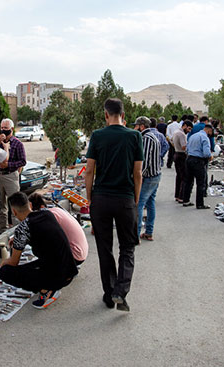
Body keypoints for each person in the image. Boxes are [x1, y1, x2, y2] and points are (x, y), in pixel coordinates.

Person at [84, 98, 143, 312]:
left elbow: (89, 170)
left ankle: (109, 295)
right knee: (127, 247)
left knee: (104, 248)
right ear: (123, 114)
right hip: (125, 198)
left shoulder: (98, 136)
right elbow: (138, 173)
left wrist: (90, 198)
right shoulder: (135, 136)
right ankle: (120, 290)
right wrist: (135, 199)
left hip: (101, 199)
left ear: (106, 114)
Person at [0, 192, 78, 309]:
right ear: (30, 205)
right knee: (40, 262)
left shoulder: (23, 228)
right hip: (70, 270)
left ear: (14, 212)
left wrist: (3, 263)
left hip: (58, 278)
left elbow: (14, 262)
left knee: (5, 272)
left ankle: (46, 289)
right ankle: (48, 283)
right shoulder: (47, 214)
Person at [28, 193, 88, 265]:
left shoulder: (49, 216)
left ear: (41, 207)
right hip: (81, 252)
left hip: (75, 257)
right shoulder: (56, 210)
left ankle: (61, 270)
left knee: (38, 245)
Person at [134, 117, 162, 241]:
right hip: (155, 175)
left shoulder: (146, 139)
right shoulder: (154, 136)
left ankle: (136, 235)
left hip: (149, 177)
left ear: (142, 126)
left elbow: (145, 161)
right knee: (150, 203)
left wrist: (138, 176)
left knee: (139, 204)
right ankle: (148, 232)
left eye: (136, 126)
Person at [0, 118, 26, 231]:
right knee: (1, 206)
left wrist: (8, 165)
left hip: (10, 176)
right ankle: (3, 229)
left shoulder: (17, 144)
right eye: (2, 128)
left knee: (15, 204)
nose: (3, 130)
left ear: (12, 129)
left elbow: (23, 161)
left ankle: (17, 229)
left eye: (6, 128)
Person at [182, 124, 214, 209]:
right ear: (209, 131)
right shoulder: (204, 138)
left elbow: (187, 149)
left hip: (189, 159)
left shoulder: (193, 136)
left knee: (188, 181)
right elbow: (206, 153)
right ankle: (200, 204)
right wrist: (210, 156)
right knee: (200, 183)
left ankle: (186, 200)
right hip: (198, 161)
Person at [172, 120, 194, 203]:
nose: (189, 131)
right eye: (188, 128)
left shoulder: (176, 132)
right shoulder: (181, 134)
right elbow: (184, 146)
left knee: (179, 176)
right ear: (184, 125)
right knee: (184, 177)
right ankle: (182, 196)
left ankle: (177, 195)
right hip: (181, 155)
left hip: (177, 153)